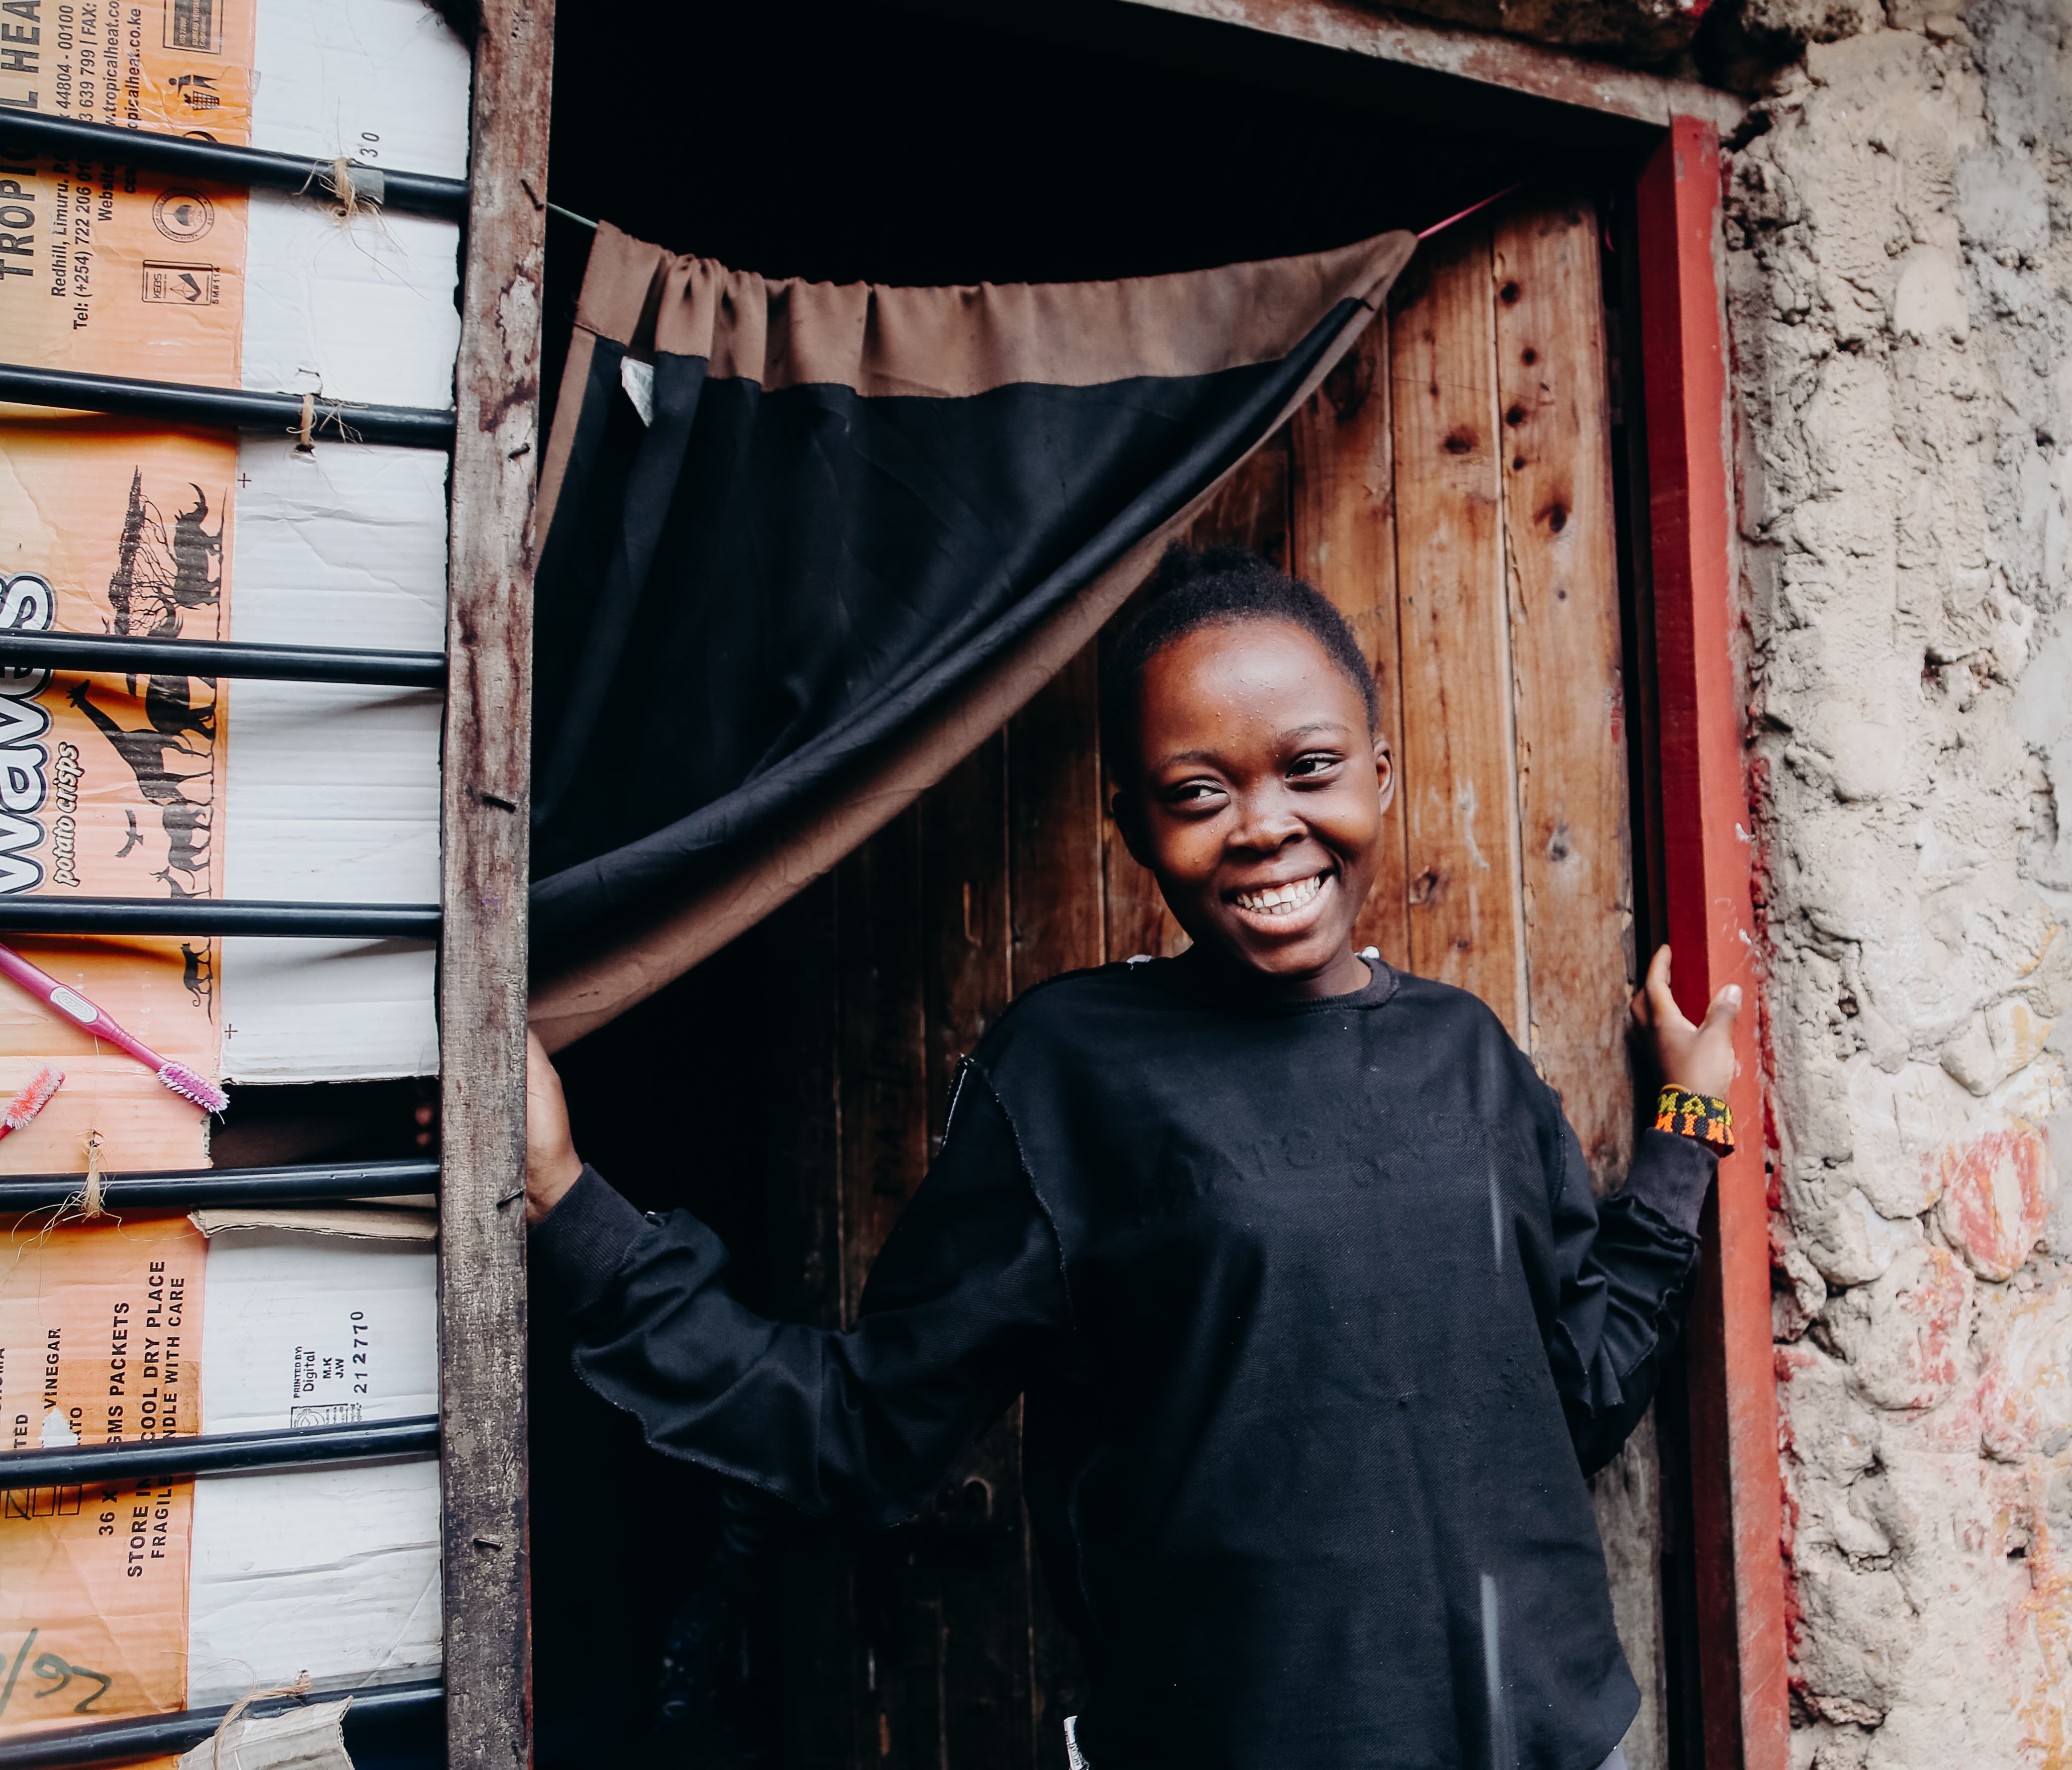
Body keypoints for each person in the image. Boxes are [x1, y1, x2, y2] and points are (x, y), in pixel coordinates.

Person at [522, 545, 1743, 1770]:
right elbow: (862, 1432)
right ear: (1133, 827)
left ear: (1380, 775)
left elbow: (1576, 1392)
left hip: (1553, 1742)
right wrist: (570, 1207)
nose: (1267, 827)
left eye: (1310, 770)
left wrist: (1688, 1127)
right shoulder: (1069, 1076)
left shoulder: (1469, 1056)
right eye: (1197, 792)